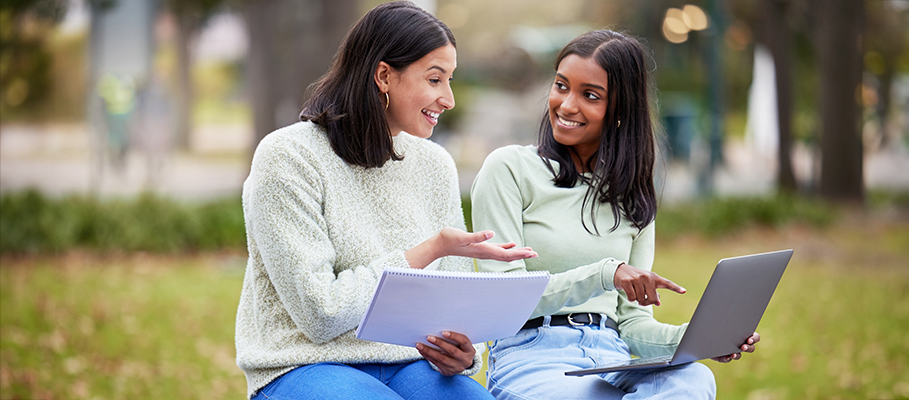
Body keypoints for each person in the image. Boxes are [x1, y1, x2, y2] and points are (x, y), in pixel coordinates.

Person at [235, 2, 536, 400]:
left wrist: (464, 353)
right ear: (383, 76)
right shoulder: (289, 156)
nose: (448, 99)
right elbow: (320, 314)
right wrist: (429, 250)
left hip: (412, 363)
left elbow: (455, 303)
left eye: (450, 80)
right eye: (434, 79)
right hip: (305, 363)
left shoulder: (434, 164)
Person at [471, 29, 760, 399]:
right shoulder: (509, 169)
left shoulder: (633, 194)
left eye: (590, 95)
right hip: (533, 356)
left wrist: (699, 338)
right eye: (561, 86)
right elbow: (503, 300)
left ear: (621, 110)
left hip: (611, 357)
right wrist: (606, 273)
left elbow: (633, 323)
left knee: (694, 380)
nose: (567, 105)